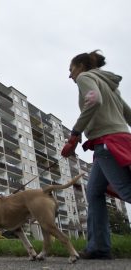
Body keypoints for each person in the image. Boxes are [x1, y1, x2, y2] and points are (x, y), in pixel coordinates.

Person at [61, 50, 131, 259]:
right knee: (94, 192)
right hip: (113, 142)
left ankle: (99, 247)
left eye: (71, 69)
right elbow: (128, 115)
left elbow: (93, 101)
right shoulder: (110, 87)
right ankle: (99, 248)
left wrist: (75, 134)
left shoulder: (85, 78)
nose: (70, 75)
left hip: (108, 143)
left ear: (80, 67)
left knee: (127, 191)